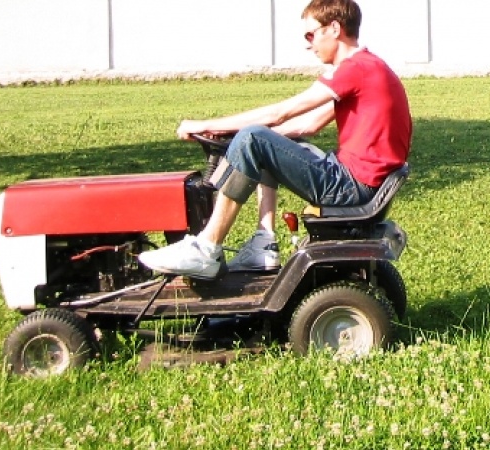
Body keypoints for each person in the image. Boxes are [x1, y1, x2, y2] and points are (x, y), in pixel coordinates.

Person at [138, 0, 412, 280]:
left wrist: (207, 124)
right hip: (359, 181)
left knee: (255, 137)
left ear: (334, 28)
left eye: (310, 34)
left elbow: (281, 113)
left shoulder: (356, 69)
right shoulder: (370, 68)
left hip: (352, 187)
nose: (308, 44)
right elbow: (310, 123)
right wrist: (234, 135)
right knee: (262, 141)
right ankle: (263, 242)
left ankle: (206, 248)